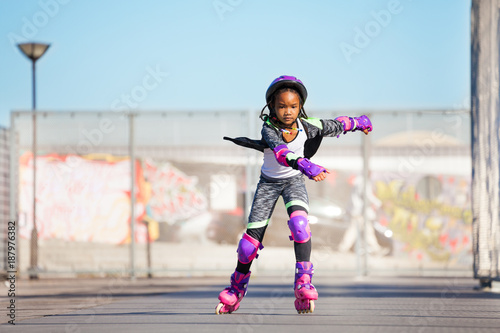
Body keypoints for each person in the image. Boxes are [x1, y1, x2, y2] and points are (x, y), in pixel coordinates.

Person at [216, 75, 372, 315]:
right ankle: (236, 289)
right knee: (248, 246)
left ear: (300, 107)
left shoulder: (307, 125)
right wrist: (308, 166)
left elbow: (336, 125)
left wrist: (359, 122)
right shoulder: (269, 129)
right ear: (272, 107)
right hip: (269, 185)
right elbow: (281, 154)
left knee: (300, 225)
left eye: (293, 106)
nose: (287, 111)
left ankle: (303, 283)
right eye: (281, 106)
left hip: (293, 182)